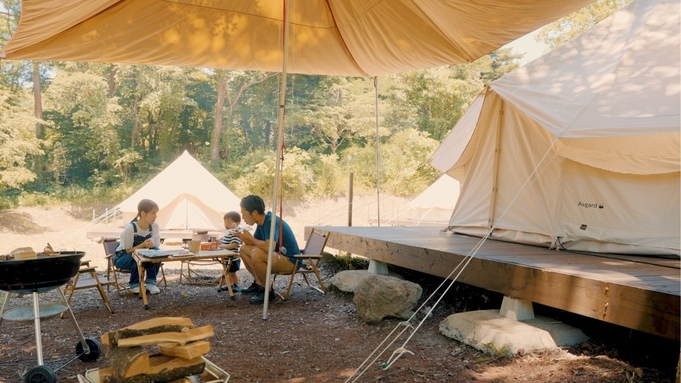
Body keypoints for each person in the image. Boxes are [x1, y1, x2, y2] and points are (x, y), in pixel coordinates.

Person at [234, 195, 301, 304]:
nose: (243, 218)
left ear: (254, 212)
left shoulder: (270, 222)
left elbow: (270, 246)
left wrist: (251, 239)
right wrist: (243, 238)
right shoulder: (261, 223)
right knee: (244, 249)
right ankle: (259, 284)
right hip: (278, 257)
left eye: (244, 214)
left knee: (257, 253)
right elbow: (255, 243)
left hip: (291, 260)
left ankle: (267, 291)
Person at [114, 199, 162, 295]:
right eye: (153, 213)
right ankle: (134, 284)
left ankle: (150, 283)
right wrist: (142, 245)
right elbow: (128, 250)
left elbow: (157, 246)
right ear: (143, 213)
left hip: (142, 254)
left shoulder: (154, 226)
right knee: (136, 256)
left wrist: (152, 243)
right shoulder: (131, 228)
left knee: (157, 252)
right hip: (124, 256)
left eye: (156, 213)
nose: (155, 216)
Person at [218, 211, 242, 292]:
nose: (226, 224)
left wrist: (222, 246)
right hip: (226, 258)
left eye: (228, 222)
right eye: (225, 222)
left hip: (233, 258)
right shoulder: (228, 233)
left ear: (237, 223)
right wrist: (219, 242)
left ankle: (235, 285)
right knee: (227, 272)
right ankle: (230, 284)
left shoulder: (235, 233)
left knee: (232, 273)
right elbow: (224, 242)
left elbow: (234, 245)